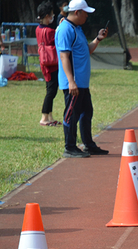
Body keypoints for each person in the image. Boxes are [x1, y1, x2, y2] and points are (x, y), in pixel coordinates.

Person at [55, 0, 109, 158]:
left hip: (82, 83)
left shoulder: (77, 29)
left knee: (87, 112)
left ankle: (89, 145)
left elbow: (86, 51)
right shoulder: (65, 29)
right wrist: (71, 81)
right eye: (85, 13)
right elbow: (64, 57)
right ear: (77, 12)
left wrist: (98, 39)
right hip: (74, 83)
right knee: (71, 114)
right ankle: (69, 147)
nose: (87, 16)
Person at [36, 1, 61, 127]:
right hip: (51, 64)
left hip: (44, 62)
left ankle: (49, 116)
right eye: (51, 15)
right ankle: (44, 116)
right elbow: (56, 40)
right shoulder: (49, 31)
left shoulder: (38, 29)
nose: (52, 17)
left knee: (50, 89)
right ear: (47, 16)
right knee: (51, 91)